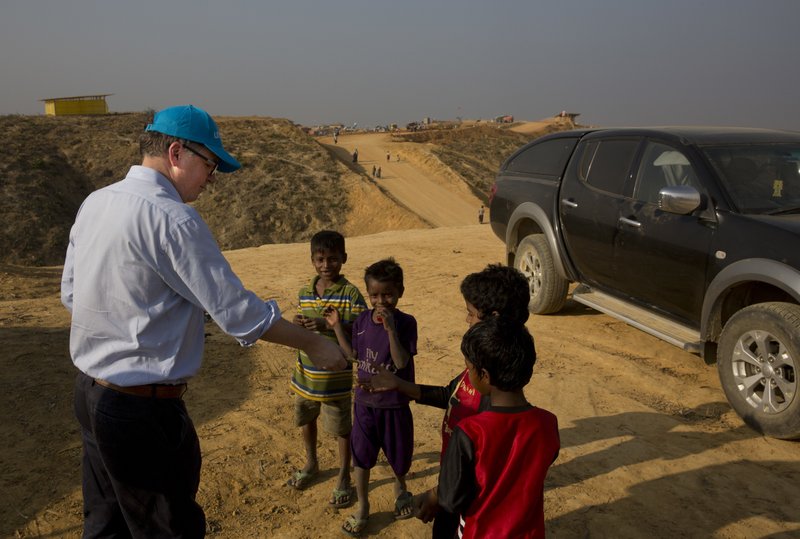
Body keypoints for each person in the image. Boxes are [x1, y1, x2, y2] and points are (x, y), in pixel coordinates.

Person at [60, 104, 347, 538]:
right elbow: (239, 315)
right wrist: (316, 345)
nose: (211, 178)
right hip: (141, 410)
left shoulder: (96, 202)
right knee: (168, 528)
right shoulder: (173, 218)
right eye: (210, 164)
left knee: (106, 525)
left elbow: (70, 294)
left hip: (91, 395)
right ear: (176, 153)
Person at [361, 263, 530, 537]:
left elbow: (481, 469)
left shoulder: (494, 393)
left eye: (470, 313)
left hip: (465, 501)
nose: (466, 320)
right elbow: (449, 395)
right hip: (452, 487)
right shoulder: (480, 373)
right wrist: (399, 384)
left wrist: (438, 495)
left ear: (493, 319)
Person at [438, 317, 559, 538]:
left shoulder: (470, 432)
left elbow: (450, 499)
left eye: (469, 368)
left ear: (484, 375)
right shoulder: (548, 423)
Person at [325, 258, 418, 537]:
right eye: (375, 295)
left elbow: (401, 363)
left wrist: (390, 330)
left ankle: (401, 486)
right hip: (364, 404)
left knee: (399, 455)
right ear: (368, 294)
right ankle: (363, 506)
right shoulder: (363, 320)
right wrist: (336, 327)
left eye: (388, 294)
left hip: (394, 404)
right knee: (361, 457)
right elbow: (352, 355)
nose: (381, 301)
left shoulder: (406, 323)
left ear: (400, 291)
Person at [287, 230, 367, 510]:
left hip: (335, 380)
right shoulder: (305, 292)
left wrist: (330, 326)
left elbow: (363, 332)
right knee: (306, 419)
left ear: (344, 259)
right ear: (312, 260)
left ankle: (344, 476)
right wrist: (298, 324)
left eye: (333, 259)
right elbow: (303, 330)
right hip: (306, 376)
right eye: (320, 259)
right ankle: (312, 462)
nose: (326, 265)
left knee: (342, 429)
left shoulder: (351, 294)